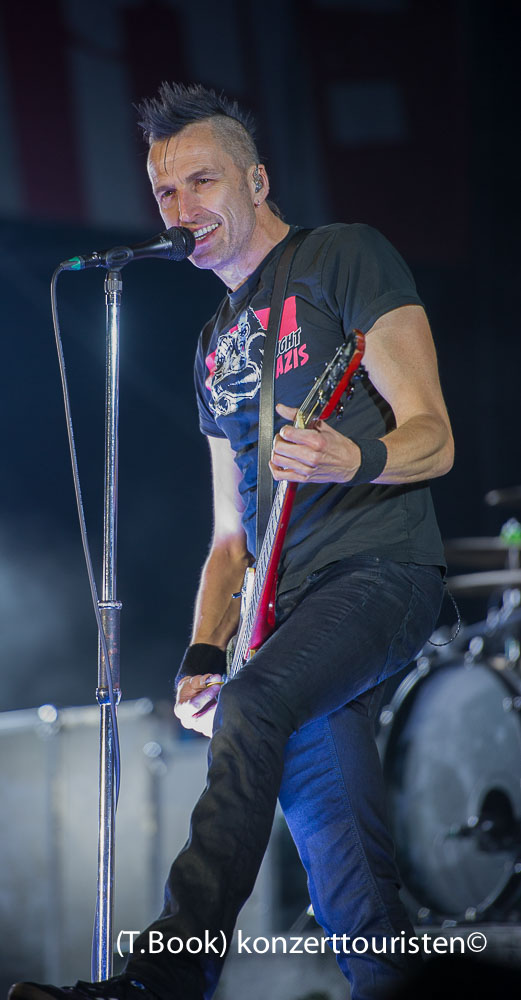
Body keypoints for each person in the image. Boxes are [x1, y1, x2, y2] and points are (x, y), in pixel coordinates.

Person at [10, 83, 454, 1000]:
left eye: (201, 181)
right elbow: (228, 536)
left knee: (254, 709)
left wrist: (354, 455)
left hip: (379, 573)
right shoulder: (213, 344)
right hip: (285, 623)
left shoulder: (342, 256)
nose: (181, 208)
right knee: (347, 880)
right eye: (164, 192)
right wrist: (206, 651)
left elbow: (433, 435)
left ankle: (164, 979)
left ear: (256, 180)